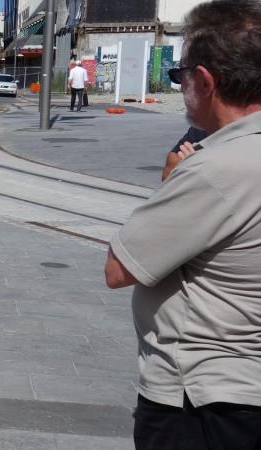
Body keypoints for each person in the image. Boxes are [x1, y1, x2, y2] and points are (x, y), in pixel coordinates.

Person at [104, 1, 261, 448]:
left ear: (205, 81)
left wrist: (173, 182)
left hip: (204, 399)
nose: (182, 84)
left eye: (181, 74)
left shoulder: (216, 169)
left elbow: (120, 268)